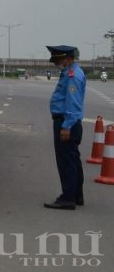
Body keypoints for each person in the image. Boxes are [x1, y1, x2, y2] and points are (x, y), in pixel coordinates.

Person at [44, 45, 86, 210]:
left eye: (58, 61)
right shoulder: (71, 73)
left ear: (68, 59)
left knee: (66, 162)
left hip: (66, 122)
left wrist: (66, 126)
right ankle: (76, 195)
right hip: (69, 122)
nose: (57, 65)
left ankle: (67, 198)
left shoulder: (72, 75)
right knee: (73, 160)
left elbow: (72, 103)